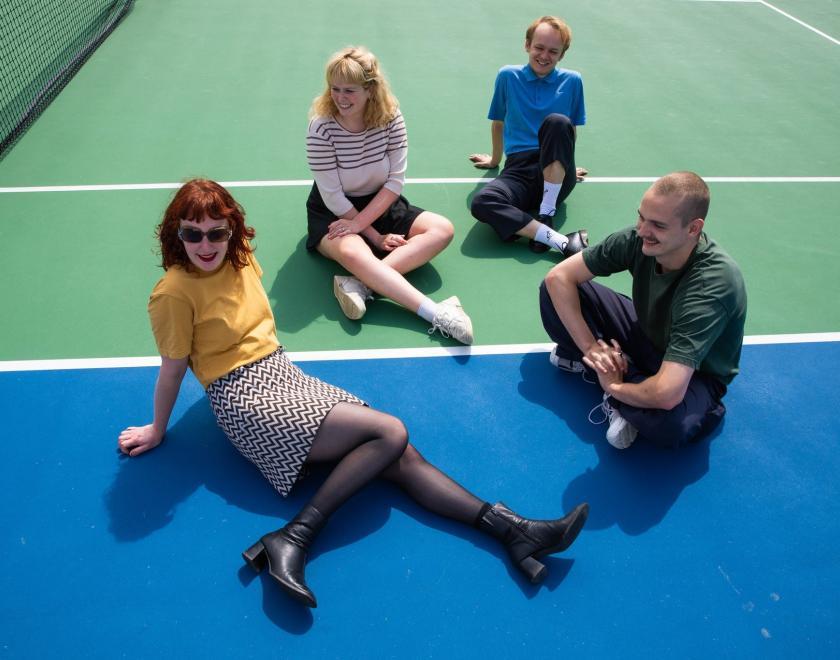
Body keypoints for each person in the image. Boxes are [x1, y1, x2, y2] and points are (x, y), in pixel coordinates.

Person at [118, 179, 588, 608]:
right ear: (175, 236)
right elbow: (173, 369)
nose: (205, 245)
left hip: (283, 375)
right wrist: (157, 430)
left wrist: (379, 239)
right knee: (389, 432)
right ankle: (292, 539)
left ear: (231, 231)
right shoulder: (173, 294)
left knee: (399, 454)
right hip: (243, 399)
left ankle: (513, 531)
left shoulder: (241, 259)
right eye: (192, 234)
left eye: (215, 233)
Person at [539, 172, 747, 449]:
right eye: (641, 217)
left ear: (693, 229)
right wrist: (591, 348)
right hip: (646, 332)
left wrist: (613, 387)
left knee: (672, 425)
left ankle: (619, 384)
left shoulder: (711, 284)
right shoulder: (636, 240)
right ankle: (624, 380)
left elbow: (668, 394)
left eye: (658, 225)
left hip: (698, 372)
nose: (643, 231)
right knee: (552, 291)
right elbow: (559, 278)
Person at [306, 46, 473, 345]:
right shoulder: (321, 129)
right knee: (352, 252)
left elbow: (395, 181)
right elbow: (331, 196)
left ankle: (360, 285)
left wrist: (367, 227)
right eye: (335, 89)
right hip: (335, 210)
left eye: (350, 91)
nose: (340, 98)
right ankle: (436, 314)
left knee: (442, 230)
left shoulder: (390, 116)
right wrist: (371, 235)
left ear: (370, 89)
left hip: (382, 202)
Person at [469, 15, 590, 257]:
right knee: (481, 203)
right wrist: (494, 161)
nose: (544, 56)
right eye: (539, 48)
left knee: (557, 121)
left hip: (557, 172)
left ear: (562, 55)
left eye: (553, 51)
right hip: (518, 171)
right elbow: (498, 123)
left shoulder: (573, 81)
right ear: (527, 45)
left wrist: (566, 163)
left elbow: (569, 130)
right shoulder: (507, 76)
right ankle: (559, 240)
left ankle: (546, 212)